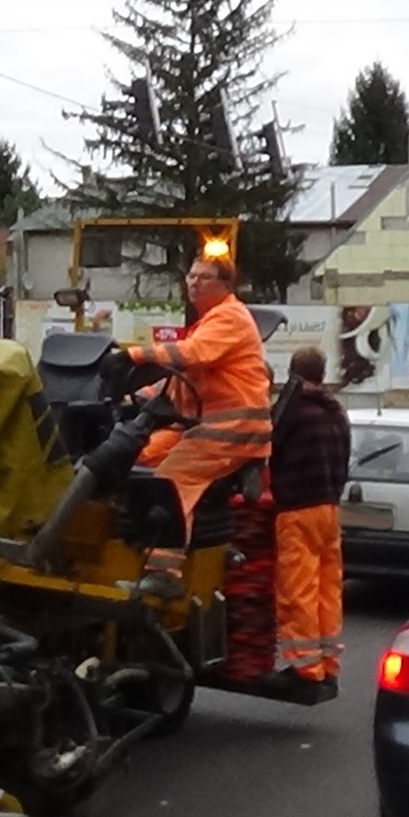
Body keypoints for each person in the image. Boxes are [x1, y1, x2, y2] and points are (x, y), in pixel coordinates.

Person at [109, 255, 273, 594]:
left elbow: (192, 355)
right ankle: (130, 532)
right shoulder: (211, 321)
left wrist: (134, 356)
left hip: (230, 427)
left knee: (171, 480)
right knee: (136, 459)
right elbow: (180, 381)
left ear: (226, 285)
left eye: (205, 277)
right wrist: (131, 399)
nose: (194, 282)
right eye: (191, 276)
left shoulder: (230, 316)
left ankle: (165, 572)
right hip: (203, 424)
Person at [257, 346, 350, 700]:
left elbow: (268, 444)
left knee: (299, 589)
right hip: (329, 509)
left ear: (294, 373)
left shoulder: (293, 409)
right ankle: (328, 665)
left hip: (297, 509)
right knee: (328, 589)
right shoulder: (335, 410)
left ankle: (304, 669)